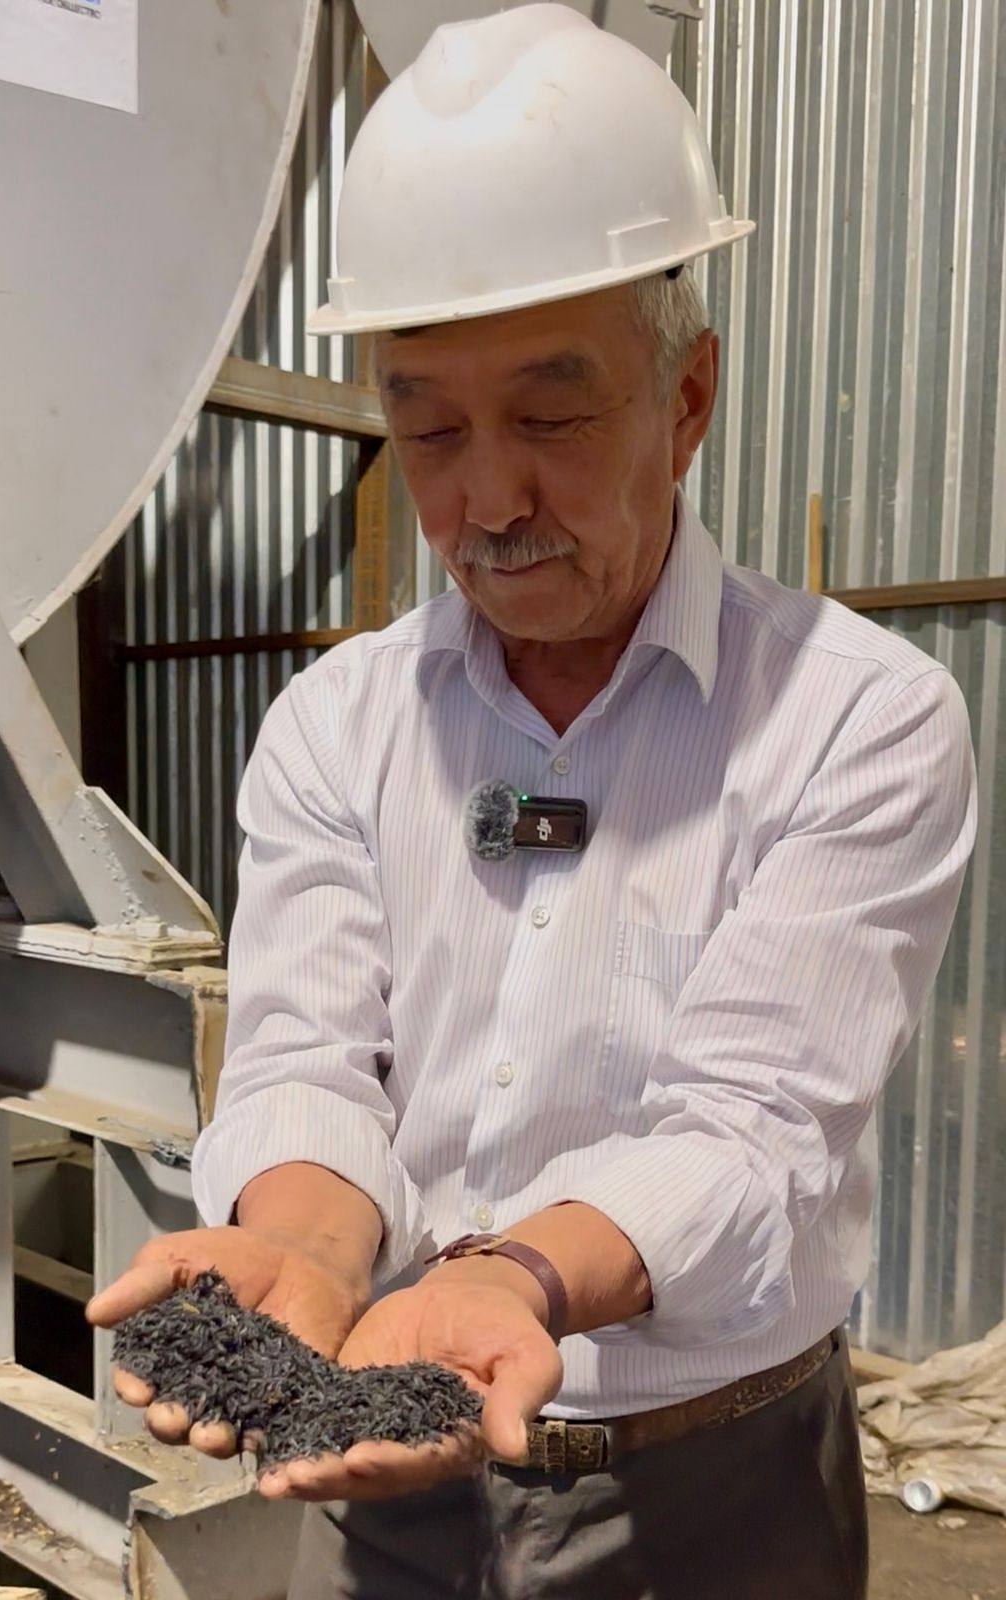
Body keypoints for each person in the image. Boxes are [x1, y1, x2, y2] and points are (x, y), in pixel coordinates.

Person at [88, 8, 977, 1596]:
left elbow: (753, 1127)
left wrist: (510, 1279)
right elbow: (309, 1055)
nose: (487, 497)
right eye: (428, 425)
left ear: (688, 397)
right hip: (381, 1455)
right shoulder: (337, 725)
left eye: (552, 418)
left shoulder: (857, 718)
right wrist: (302, 1247)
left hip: (715, 1493)